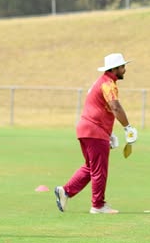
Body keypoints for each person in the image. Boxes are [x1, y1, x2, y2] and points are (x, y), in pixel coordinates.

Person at [54, 53, 137, 214]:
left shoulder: (101, 82)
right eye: (122, 67)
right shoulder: (108, 84)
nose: (125, 70)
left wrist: (109, 133)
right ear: (115, 69)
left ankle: (66, 191)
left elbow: (99, 108)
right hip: (94, 130)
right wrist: (128, 127)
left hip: (87, 128)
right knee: (100, 169)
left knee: (91, 167)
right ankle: (98, 205)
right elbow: (115, 107)